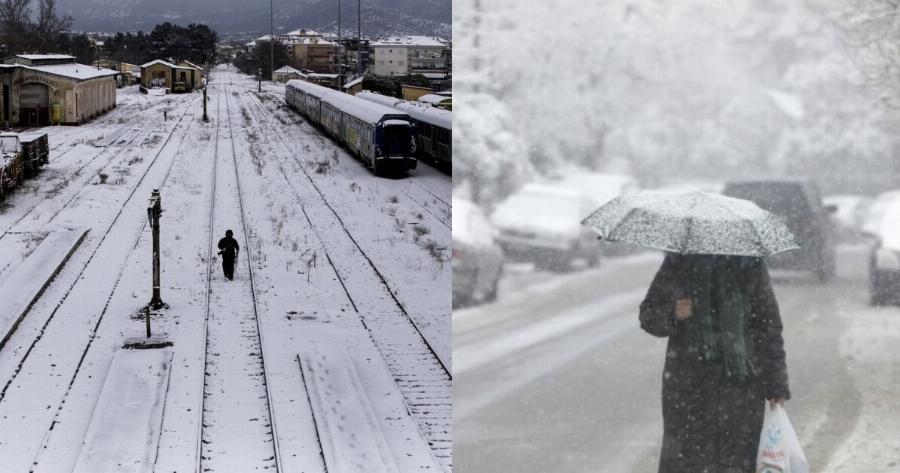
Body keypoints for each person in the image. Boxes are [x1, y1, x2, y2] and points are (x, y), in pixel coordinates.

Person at [639, 253, 790, 473]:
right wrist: (674, 312)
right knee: (688, 463)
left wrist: (777, 382)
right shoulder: (680, 262)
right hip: (688, 390)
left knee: (736, 462)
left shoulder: (749, 263)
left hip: (741, 390)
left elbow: (769, 326)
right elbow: (648, 315)